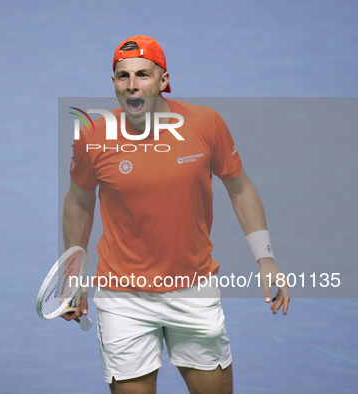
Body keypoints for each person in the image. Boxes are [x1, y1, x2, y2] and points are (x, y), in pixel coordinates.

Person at [61, 35, 290, 394]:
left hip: (193, 290)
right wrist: (73, 274)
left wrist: (266, 258)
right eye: (123, 76)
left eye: (143, 75)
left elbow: (240, 188)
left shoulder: (205, 123)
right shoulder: (93, 135)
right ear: (114, 83)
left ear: (164, 80)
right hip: (123, 297)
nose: (132, 86)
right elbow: (79, 201)